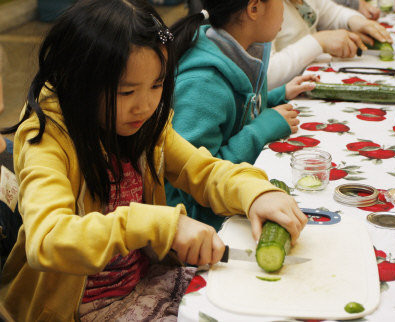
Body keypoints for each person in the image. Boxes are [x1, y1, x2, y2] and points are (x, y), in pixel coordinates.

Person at [0, 0, 307, 321]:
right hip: (73, 309)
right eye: (126, 92)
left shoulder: (146, 123)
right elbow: (47, 240)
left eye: (157, 85)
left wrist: (256, 192)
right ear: (80, 82)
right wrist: (162, 225)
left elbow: (200, 169)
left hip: (142, 283)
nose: (145, 105)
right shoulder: (47, 136)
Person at [166, 0, 317, 230]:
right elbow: (196, 183)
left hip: (233, 197)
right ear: (254, 8)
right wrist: (261, 131)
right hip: (198, 228)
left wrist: (279, 95)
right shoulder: (202, 84)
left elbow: (239, 112)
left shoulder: (245, 51)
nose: (284, 9)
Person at [268, 0, 392, 89]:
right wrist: (319, 41)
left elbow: (332, 12)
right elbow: (267, 76)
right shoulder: (266, 10)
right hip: (284, 95)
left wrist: (354, 20)